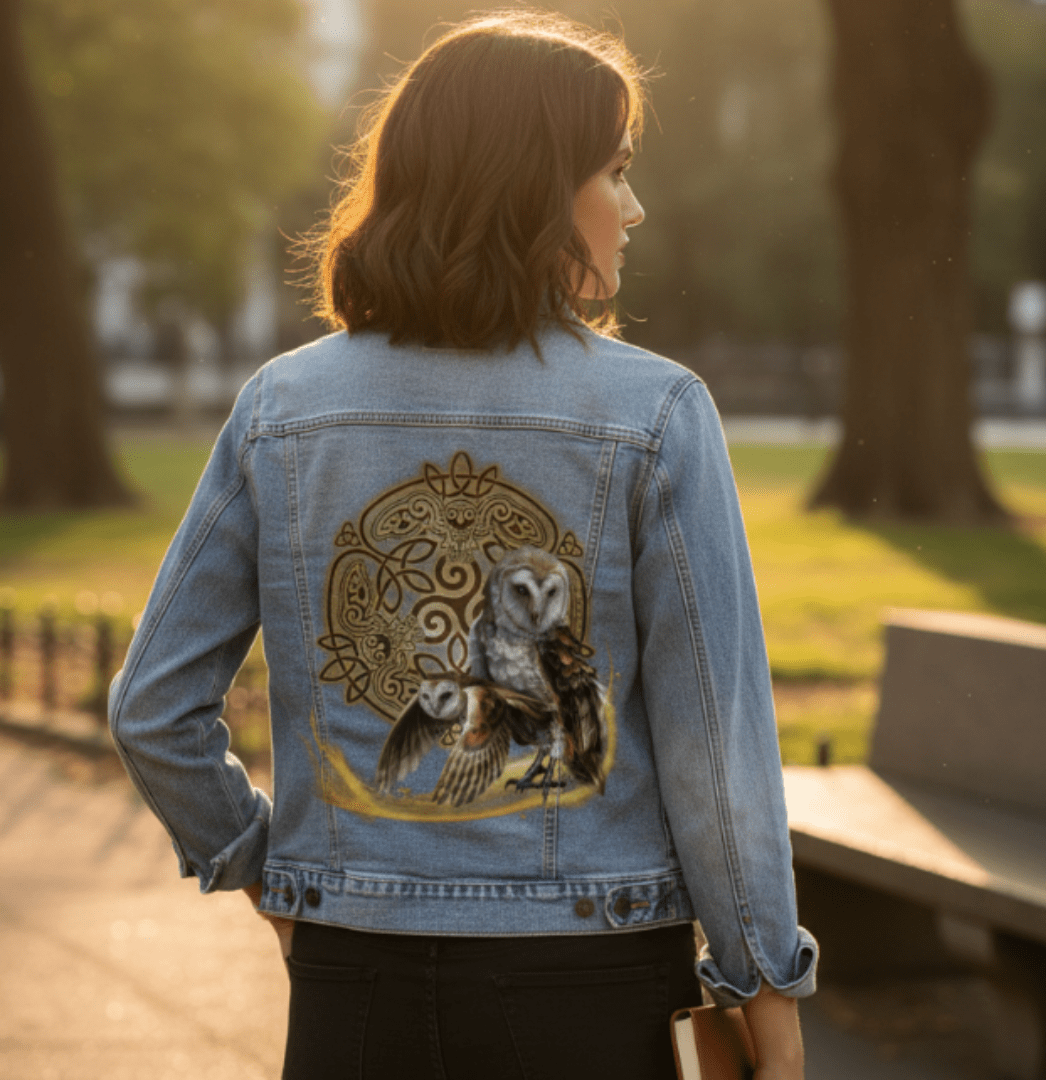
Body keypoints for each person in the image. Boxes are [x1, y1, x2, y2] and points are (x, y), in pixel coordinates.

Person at [109, 10, 816, 1079]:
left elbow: (152, 707)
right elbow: (714, 753)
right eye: (614, 171)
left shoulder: (280, 410)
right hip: (596, 980)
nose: (635, 207)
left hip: (353, 984)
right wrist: (764, 987)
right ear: (534, 186)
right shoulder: (657, 414)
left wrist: (280, 882)